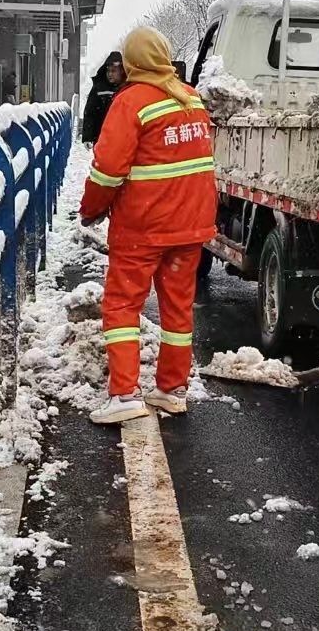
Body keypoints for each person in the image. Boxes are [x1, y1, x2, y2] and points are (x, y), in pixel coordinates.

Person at [80, 27, 217, 425]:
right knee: (177, 310)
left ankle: (124, 394)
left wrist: (91, 209)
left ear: (133, 62)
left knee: (122, 305)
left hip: (143, 227)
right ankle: (172, 390)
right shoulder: (191, 99)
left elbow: (107, 170)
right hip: (190, 227)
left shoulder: (132, 101)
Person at [81, 51, 125, 144]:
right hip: (101, 137)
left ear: (121, 71)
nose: (110, 74)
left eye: (113, 71)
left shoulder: (127, 88)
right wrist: (88, 137)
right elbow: (90, 112)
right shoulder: (99, 88)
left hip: (122, 137)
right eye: (108, 71)